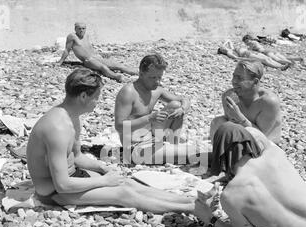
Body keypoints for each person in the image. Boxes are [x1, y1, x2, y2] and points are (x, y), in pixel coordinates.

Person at [26, 68, 195, 214]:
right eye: (96, 97)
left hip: (73, 177)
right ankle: (192, 209)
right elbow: (62, 184)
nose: (98, 102)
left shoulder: (73, 117)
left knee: (127, 183)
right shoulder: (57, 128)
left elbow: (76, 156)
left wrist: (102, 167)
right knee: (123, 194)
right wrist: (104, 181)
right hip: (53, 192)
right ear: (84, 96)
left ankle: (187, 200)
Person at [195, 122, 306, 227]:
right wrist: (244, 131)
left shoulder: (231, 196)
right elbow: (258, 136)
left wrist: (210, 218)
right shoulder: (274, 154)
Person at [115, 53, 200, 165]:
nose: (157, 82)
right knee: (196, 154)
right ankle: (172, 151)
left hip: (154, 138)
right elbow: (120, 126)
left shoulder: (156, 90)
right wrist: (149, 118)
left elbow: (185, 100)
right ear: (141, 74)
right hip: (135, 147)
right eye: (153, 77)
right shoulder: (128, 92)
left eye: (159, 77)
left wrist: (182, 109)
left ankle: (173, 145)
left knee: (176, 105)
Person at [209, 60, 282, 144]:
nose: (234, 81)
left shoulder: (268, 102)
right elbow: (231, 128)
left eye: (240, 78)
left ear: (255, 82)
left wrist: (240, 118)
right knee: (218, 122)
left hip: (268, 147)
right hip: (244, 141)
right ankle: (219, 155)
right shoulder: (229, 96)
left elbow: (261, 137)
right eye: (234, 76)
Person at [57, 22, 138, 82]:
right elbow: (67, 50)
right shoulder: (72, 36)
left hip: (96, 56)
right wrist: (60, 62)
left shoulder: (86, 35)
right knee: (103, 67)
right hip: (88, 60)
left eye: (83, 28)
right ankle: (117, 77)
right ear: (75, 29)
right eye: (79, 28)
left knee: (118, 65)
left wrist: (99, 54)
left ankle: (138, 73)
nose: (81, 30)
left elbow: (88, 47)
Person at [217, 40, 290, 70]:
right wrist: (247, 60)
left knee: (268, 58)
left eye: (222, 47)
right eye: (222, 49)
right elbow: (237, 58)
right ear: (222, 51)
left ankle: (281, 65)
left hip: (251, 52)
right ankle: (281, 67)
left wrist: (223, 45)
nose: (223, 48)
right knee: (264, 60)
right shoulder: (229, 53)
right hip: (247, 55)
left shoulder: (231, 49)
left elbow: (229, 40)